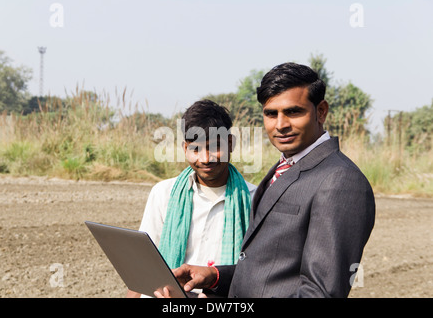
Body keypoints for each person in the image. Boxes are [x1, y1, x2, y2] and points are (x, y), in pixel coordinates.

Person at [155, 62, 375, 298]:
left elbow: (320, 293)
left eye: (293, 112)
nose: (280, 125)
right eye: (271, 114)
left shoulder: (339, 180)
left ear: (321, 111)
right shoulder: (283, 168)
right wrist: (215, 277)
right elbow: (266, 273)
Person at [127, 99, 256, 297]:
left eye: (214, 147)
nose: (205, 159)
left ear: (231, 144)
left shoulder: (255, 199)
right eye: (195, 149)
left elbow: (259, 269)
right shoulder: (163, 193)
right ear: (185, 147)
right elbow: (144, 265)